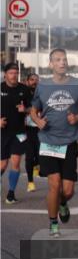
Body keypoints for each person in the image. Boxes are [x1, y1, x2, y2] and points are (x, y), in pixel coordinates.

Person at [29, 49, 78, 238]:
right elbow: (33, 110)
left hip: (69, 142)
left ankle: (63, 203)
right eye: (57, 60)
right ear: (51, 65)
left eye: (64, 59)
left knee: (68, 190)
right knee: (54, 185)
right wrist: (37, 121)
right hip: (48, 141)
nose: (62, 62)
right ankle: (53, 223)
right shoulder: (43, 86)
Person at [1, 62, 32, 204]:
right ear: (5, 74)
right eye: (11, 73)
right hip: (3, 131)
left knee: (16, 161)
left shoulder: (24, 89)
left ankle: (11, 193)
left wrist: (24, 110)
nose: (14, 76)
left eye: (16, 73)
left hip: (19, 132)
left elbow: (32, 109)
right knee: (2, 164)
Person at [24, 73, 41, 193]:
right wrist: (27, 110)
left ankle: (36, 164)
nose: (34, 82)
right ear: (27, 81)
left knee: (40, 156)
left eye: (36, 80)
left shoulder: (42, 94)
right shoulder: (23, 93)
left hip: (40, 128)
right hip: (27, 129)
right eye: (32, 80)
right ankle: (30, 182)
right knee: (29, 157)